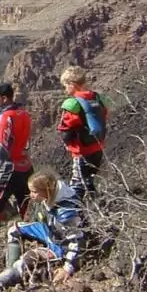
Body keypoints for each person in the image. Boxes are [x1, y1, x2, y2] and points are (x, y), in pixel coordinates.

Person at [0, 170, 84, 292]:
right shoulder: (53, 195)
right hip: (49, 230)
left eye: (34, 192)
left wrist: (67, 268)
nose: (31, 195)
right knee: (14, 230)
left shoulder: (65, 212)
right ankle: (10, 269)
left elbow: (77, 240)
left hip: (59, 246)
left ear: (47, 191)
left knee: (26, 260)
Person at [0, 82, 33, 237]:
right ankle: (31, 234)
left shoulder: (5, 118)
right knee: (27, 204)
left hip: (8, 168)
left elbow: (1, 146)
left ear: (4, 99)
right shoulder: (23, 114)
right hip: (25, 166)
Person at [56, 65, 109, 201]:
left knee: (79, 185)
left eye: (66, 85)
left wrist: (68, 144)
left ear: (72, 84)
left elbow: (65, 129)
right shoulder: (96, 98)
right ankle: (90, 210)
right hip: (98, 148)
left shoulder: (73, 104)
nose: (65, 89)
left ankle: (84, 215)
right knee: (89, 179)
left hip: (82, 151)